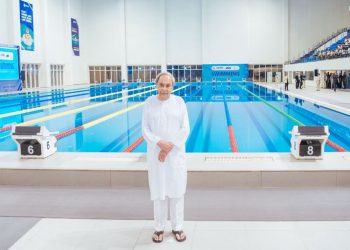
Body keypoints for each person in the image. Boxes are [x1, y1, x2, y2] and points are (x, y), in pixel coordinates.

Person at [142, 72, 190, 243]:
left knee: (177, 191)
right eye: (161, 85)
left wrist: (168, 147)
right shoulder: (149, 103)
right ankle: (159, 228)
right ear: (156, 85)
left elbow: (185, 128)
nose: (164, 88)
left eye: (167, 85)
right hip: (156, 154)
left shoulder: (179, 102)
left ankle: (177, 227)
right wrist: (159, 143)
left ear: (172, 86)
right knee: (159, 191)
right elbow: (145, 129)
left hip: (175, 154)